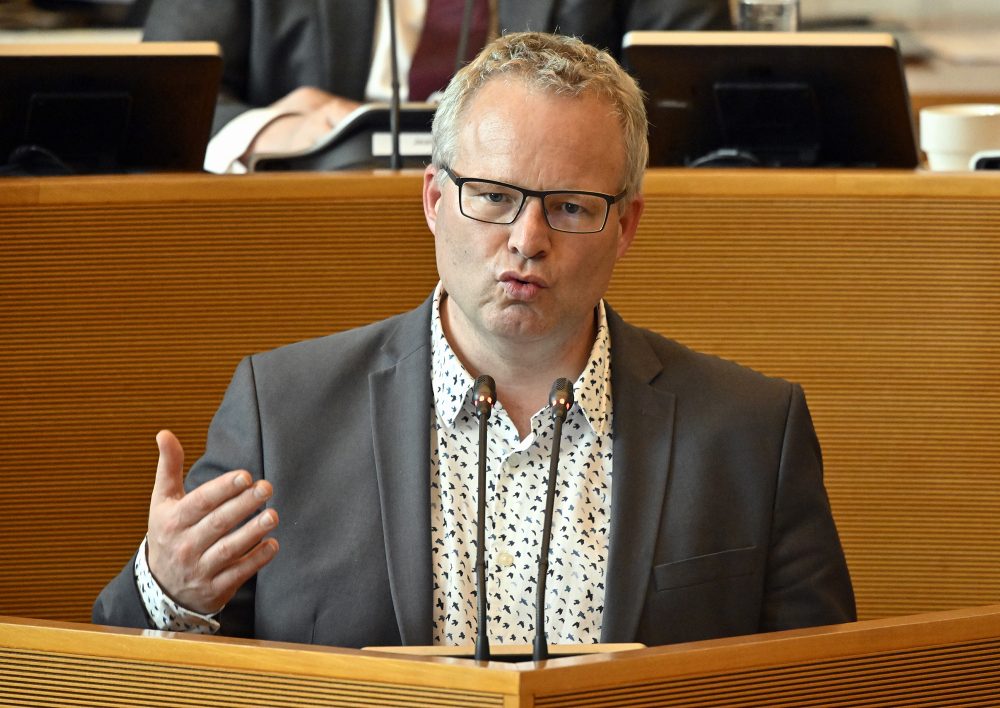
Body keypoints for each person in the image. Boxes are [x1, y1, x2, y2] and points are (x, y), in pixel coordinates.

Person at [93, 31, 855, 649]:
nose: (526, 241)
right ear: (433, 199)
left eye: (570, 207)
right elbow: (132, 674)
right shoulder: (283, 410)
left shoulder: (753, 431)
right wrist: (168, 588)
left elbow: (823, 685)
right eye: (492, 197)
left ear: (626, 226)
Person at [140, 0, 732, 172]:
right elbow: (162, 98)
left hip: (550, 209)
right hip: (308, 213)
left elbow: (694, 101)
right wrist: (276, 128)